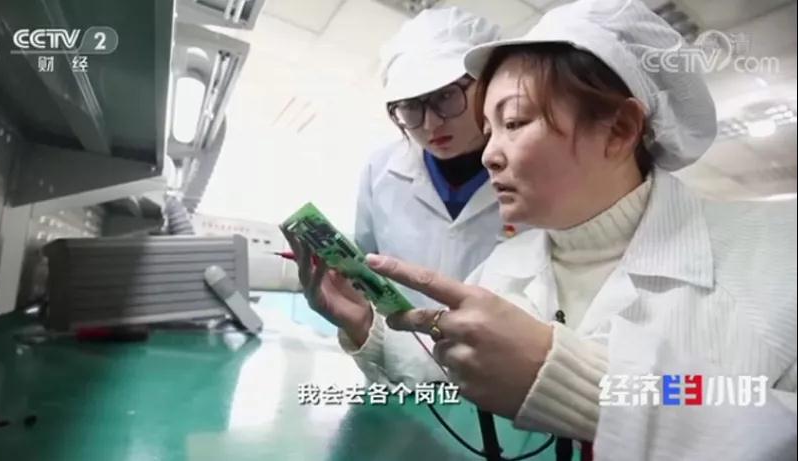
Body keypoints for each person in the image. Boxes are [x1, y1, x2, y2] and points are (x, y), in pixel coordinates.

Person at [287, 0, 797, 459]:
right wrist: (365, 325)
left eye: (513, 123)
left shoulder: (777, 255)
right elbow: (449, 365)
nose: (488, 154)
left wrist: (583, 388)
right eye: (488, 130)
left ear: (620, 129)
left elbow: (756, 405)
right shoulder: (509, 264)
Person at [284, 7, 525, 383]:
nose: (430, 123)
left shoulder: (534, 170)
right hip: (399, 372)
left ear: (487, 84)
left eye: (446, 96)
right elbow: (367, 279)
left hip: (508, 384)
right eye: (411, 106)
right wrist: (357, 318)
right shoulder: (380, 170)